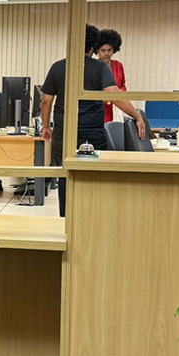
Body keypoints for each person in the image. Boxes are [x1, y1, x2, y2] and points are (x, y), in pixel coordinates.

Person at [41, 24, 146, 217]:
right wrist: (137, 116)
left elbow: (46, 100)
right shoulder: (99, 67)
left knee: (66, 176)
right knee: (94, 177)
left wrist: (46, 126)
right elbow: (114, 95)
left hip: (64, 133)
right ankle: (93, 218)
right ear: (93, 47)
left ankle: (67, 218)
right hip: (92, 134)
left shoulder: (58, 66)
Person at [97, 28, 126, 123]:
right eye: (103, 50)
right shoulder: (94, 67)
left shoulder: (118, 65)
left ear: (114, 50)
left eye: (109, 50)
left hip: (116, 107)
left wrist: (120, 92)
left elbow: (123, 85)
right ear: (98, 51)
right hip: (99, 109)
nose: (106, 54)